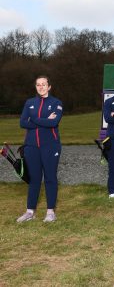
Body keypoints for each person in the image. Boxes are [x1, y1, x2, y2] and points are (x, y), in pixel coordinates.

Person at [17, 76, 63, 223]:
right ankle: (30, 212)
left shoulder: (56, 103)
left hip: (50, 146)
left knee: (50, 177)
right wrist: (44, 121)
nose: (41, 87)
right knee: (34, 179)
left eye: (44, 84)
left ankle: (50, 212)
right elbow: (22, 123)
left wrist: (34, 119)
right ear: (35, 86)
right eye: (38, 84)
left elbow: (53, 122)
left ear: (49, 86)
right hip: (31, 147)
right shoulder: (29, 103)